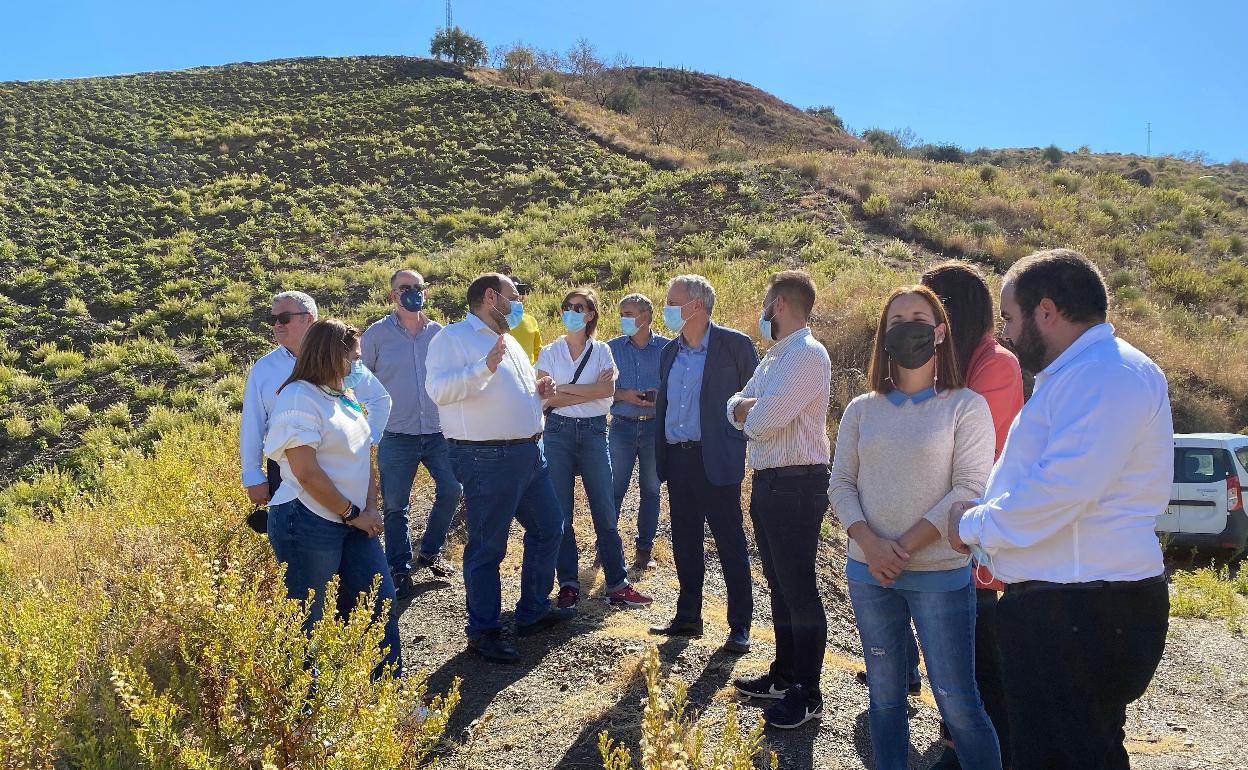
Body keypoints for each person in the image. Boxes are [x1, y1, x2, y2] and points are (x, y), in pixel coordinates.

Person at [950, 249, 1172, 770]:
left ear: (1046, 311)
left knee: (1063, 754)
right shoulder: (1087, 373)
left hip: (1080, 609)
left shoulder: (1106, 375)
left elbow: (1062, 489)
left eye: (1009, 317)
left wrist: (972, 525)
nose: (1005, 333)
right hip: (1075, 603)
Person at [830, 286, 1000, 770]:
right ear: (885, 334)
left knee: (958, 705)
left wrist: (898, 548)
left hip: (940, 575)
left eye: (919, 317)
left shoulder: (966, 406)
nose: (908, 327)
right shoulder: (862, 409)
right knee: (884, 700)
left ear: (940, 331)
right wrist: (869, 544)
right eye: (897, 319)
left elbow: (968, 488)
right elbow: (841, 483)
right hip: (869, 575)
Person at [425, 273, 569, 663]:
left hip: (530, 454)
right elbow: (438, 391)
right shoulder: (452, 339)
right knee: (489, 547)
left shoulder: (511, 342)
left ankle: (532, 610)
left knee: (548, 528)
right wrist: (482, 369)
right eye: (514, 296)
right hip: (485, 458)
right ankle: (484, 631)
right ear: (491, 297)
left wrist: (540, 398)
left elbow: (512, 400)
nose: (518, 303)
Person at [921, 261, 1024, 769]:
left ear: (950, 313)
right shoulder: (952, 360)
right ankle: (957, 744)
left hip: (976, 542)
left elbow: (963, 451)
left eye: (928, 309)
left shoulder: (996, 364)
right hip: (946, 532)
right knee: (953, 663)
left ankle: (980, 753)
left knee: (979, 662)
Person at [263, 319, 401, 678]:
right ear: (330, 354)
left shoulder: (344, 395)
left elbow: (362, 453)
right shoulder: (298, 398)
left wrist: (370, 508)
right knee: (308, 618)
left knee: (378, 603)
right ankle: (306, 716)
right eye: (353, 357)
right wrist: (352, 512)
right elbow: (306, 472)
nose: (359, 365)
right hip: (307, 522)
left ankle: (389, 698)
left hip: (352, 522)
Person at [726, 271, 832, 729]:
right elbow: (733, 407)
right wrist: (747, 407)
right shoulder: (776, 356)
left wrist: (749, 407)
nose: (762, 310)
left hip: (796, 485)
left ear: (781, 304)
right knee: (779, 586)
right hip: (770, 483)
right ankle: (784, 675)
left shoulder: (807, 356)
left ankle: (807, 691)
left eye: (766, 302)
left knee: (799, 591)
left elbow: (759, 419)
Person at [648, 274, 758, 654]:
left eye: (671, 300)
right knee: (685, 539)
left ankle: (740, 625)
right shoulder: (669, 351)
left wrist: (741, 441)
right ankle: (688, 615)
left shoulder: (735, 346)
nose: (665, 307)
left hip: (717, 459)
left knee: (729, 542)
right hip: (678, 459)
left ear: (696, 305)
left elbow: (757, 399)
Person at [537, 288, 652, 610]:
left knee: (605, 510)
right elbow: (544, 398)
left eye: (580, 307)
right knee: (562, 515)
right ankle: (569, 585)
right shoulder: (550, 351)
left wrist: (564, 390)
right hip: (557, 433)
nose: (572, 311)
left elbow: (608, 392)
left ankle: (617, 583)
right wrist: (586, 392)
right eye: (567, 306)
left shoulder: (601, 350)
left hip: (594, 432)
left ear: (590, 314)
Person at [241, 291, 391, 516]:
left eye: (283, 318)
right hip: (285, 468)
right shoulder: (263, 369)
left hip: (341, 463)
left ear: (308, 318)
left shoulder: (340, 357)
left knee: (348, 526)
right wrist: (253, 476)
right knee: (299, 532)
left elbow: (380, 399)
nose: (276, 325)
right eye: (271, 319)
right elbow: (252, 425)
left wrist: (365, 441)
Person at [361, 269, 463, 602]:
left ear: (425, 293)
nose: (412, 292)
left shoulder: (440, 334)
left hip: (438, 432)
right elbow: (363, 380)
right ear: (393, 295)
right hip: (396, 433)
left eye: (417, 287)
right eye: (404, 288)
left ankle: (430, 552)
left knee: (452, 490)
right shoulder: (376, 335)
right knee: (395, 507)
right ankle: (400, 569)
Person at [606, 293, 670, 570]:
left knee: (651, 490)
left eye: (628, 313)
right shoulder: (611, 349)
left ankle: (644, 549)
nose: (623, 319)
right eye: (621, 313)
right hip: (621, 426)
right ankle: (606, 547)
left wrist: (659, 395)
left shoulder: (668, 349)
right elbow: (599, 390)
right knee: (613, 489)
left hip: (654, 428)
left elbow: (678, 387)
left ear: (645, 316)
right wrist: (623, 395)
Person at [499, 265, 542, 364]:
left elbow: (538, 351)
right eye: (511, 295)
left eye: (518, 292)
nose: (516, 297)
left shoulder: (531, 321)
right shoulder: (494, 322)